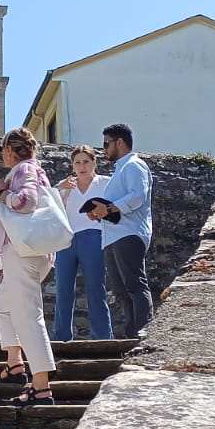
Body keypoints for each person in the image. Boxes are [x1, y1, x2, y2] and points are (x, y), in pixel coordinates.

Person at [0, 127, 58, 407]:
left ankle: (41, 387)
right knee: (1, 306)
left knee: (29, 316)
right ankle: (15, 363)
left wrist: (3, 192)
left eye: (3, 150)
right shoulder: (35, 169)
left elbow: (25, 201)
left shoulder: (23, 170)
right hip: (31, 253)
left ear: (9, 150)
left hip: (23, 254)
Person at [87, 123, 154, 338]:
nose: (104, 149)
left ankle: (143, 332)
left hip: (129, 233)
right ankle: (132, 332)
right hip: (114, 235)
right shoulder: (121, 170)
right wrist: (99, 212)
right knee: (121, 290)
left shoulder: (134, 165)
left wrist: (108, 208)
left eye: (106, 144)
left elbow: (137, 196)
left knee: (134, 284)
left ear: (119, 143)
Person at [52, 145, 113, 341]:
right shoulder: (65, 186)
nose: (82, 166)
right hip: (67, 240)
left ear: (94, 162)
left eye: (86, 161)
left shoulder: (106, 183)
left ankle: (102, 337)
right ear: (72, 165)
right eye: (77, 162)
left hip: (94, 236)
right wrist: (59, 189)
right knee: (63, 289)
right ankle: (61, 337)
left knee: (96, 287)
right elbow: (48, 207)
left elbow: (116, 210)